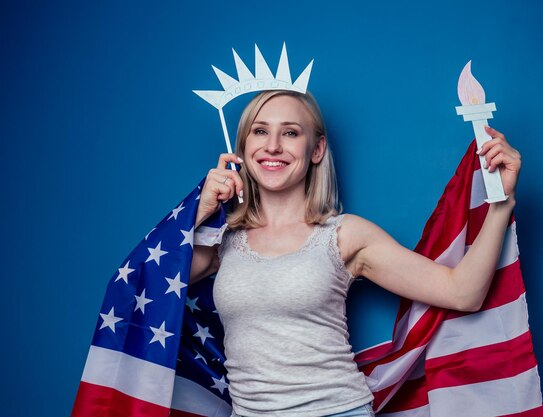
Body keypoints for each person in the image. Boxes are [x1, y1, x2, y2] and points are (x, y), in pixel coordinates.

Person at [188, 90, 521, 417]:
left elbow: (463, 293)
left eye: (290, 132)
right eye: (260, 131)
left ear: (316, 149)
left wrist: (500, 206)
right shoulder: (222, 239)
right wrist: (200, 210)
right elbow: (150, 287)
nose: (273, 145)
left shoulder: (345, 234)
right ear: (243, 147)